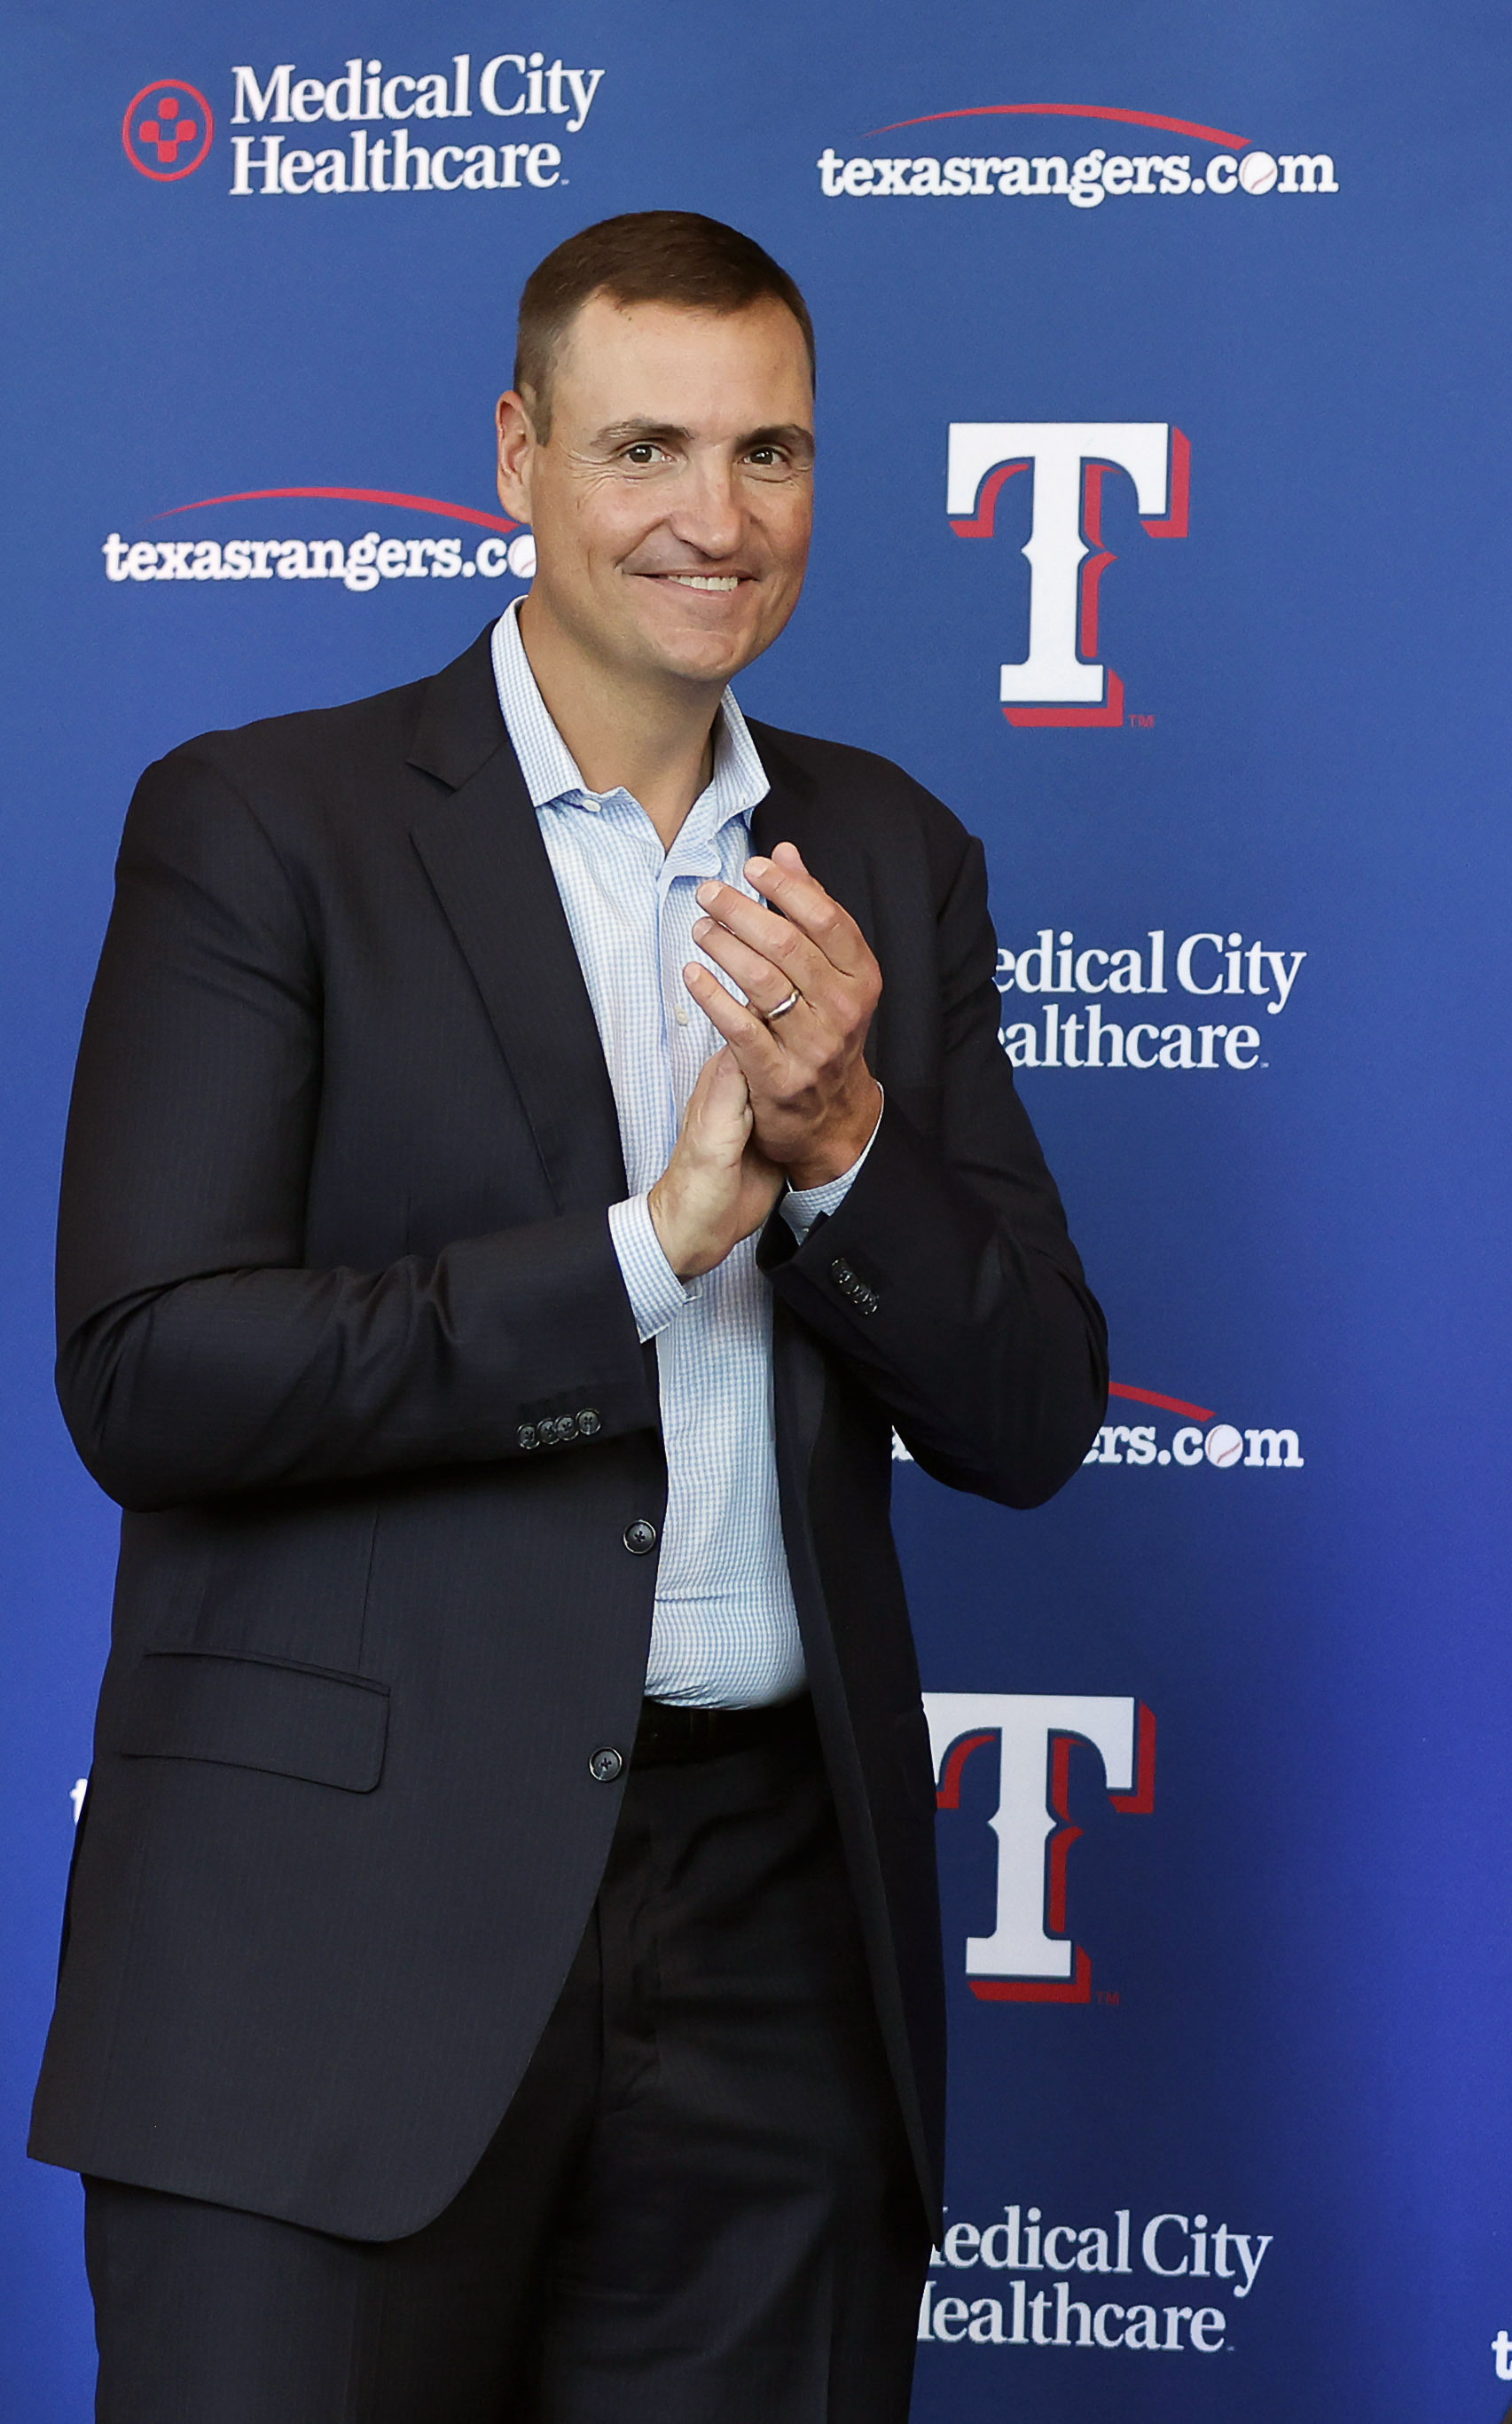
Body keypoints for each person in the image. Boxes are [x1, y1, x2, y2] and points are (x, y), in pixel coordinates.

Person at [42, 211, 1103, 2419]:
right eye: (646, 447)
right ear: (515, 455)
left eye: (771, 452)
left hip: (774, 1939)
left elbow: (1032, 1407)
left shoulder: (888, 851)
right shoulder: (265, 821)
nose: (715, 520)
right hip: (332, 1944)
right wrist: (645, 1250)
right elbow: (154, 1369)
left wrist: (838, 1163)